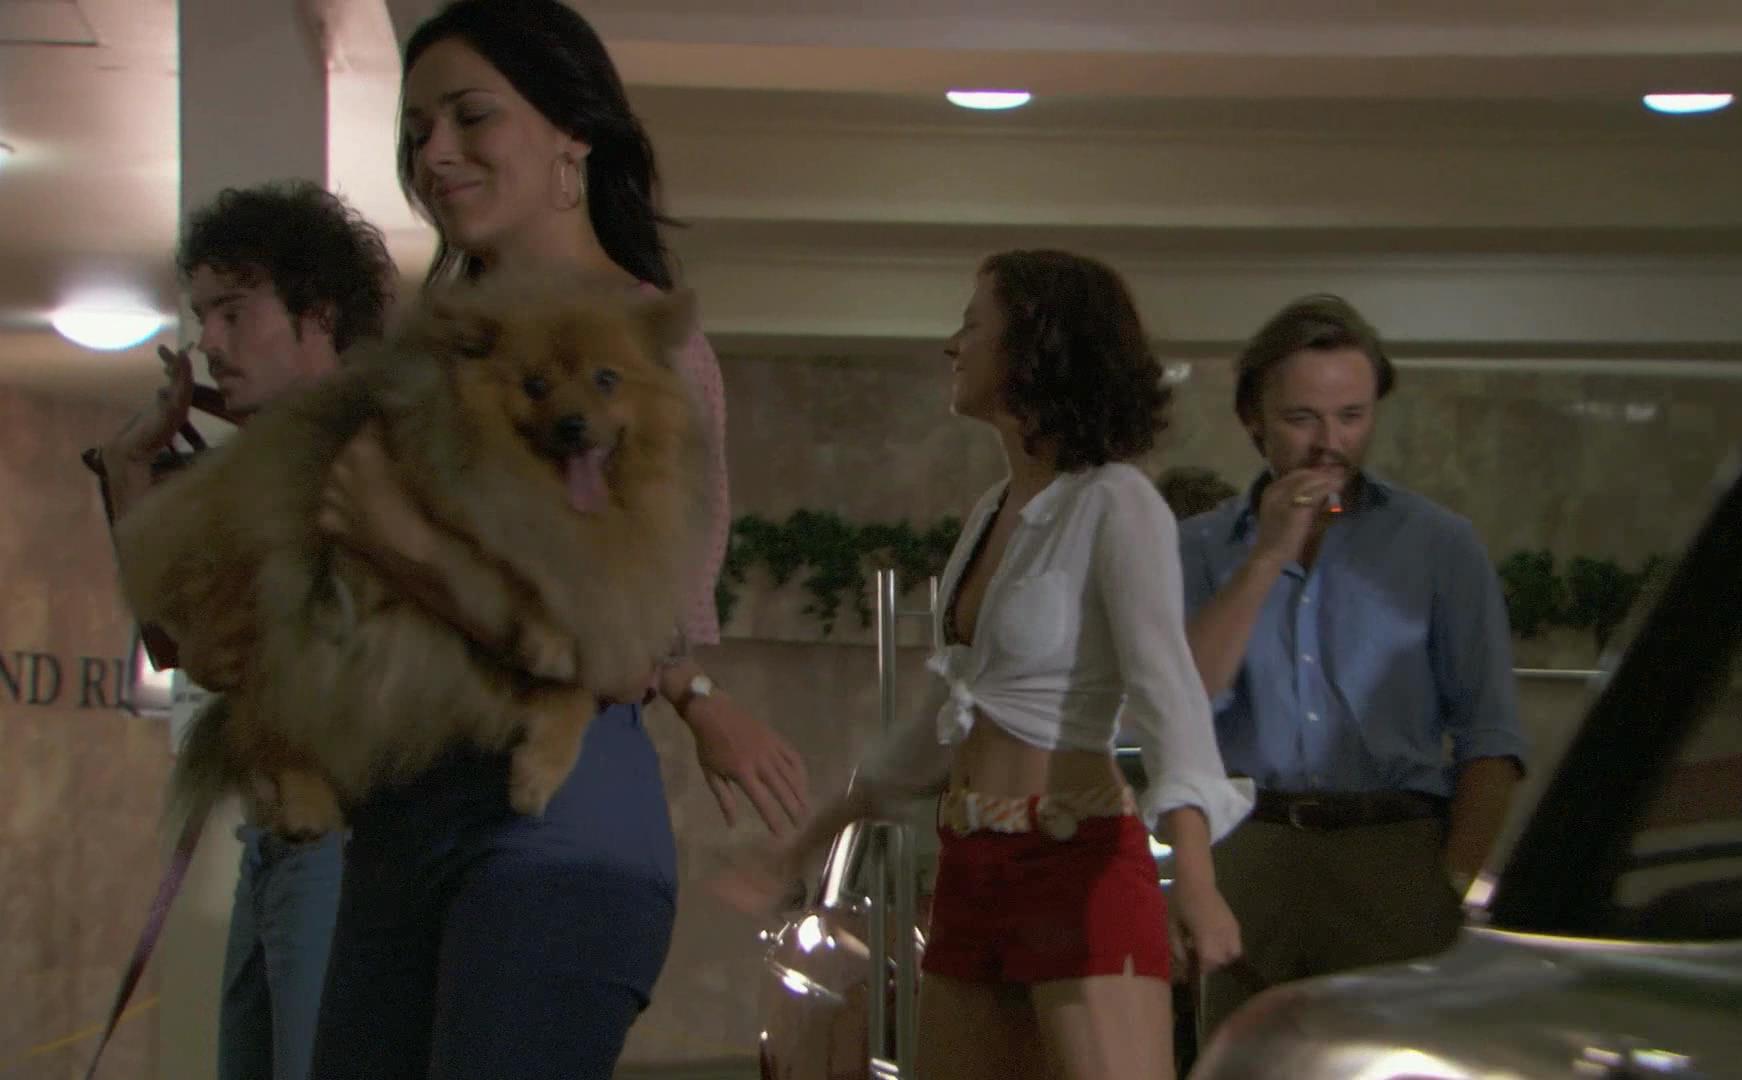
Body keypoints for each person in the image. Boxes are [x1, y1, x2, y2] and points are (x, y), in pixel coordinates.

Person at [302, 2, 809, 1076]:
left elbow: (620, 654)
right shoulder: (433, 343)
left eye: (471, 116)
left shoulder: (643, 348)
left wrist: (401, 545)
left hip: (549, 830)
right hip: (398, 823)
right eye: (417, 131)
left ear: (572, 137)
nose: (435, 154)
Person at [714, 249, 1251, 1080]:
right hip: (971, 861)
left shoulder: (1115, 501)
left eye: (973, 325)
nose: (952, 345)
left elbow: (1168, 696)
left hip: (1074, 859)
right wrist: (808, 842)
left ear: (1035, 348)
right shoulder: (993, 511)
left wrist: (1199, 879)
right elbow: (944, 719)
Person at [94, 180, 396, 1080]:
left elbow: (215, 651)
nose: (211, 344)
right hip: (274, 841)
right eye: (203, 318)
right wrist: (129, 471)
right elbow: (179, 644)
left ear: (318, 313)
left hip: (350, 844)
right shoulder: (271, 457)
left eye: (235, 312)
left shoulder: (372, 450)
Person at [1178, 294, 1530, 1037]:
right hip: (1252, 848)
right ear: (1254, 419)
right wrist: (1267, 555)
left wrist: (1447, 884)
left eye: (1351, 417)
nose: (1328, 444)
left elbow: (1491, 737)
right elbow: (1180, 705)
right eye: (1301, 418)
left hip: (1393, 850)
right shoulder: (1199, 547)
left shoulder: (1439, 545)